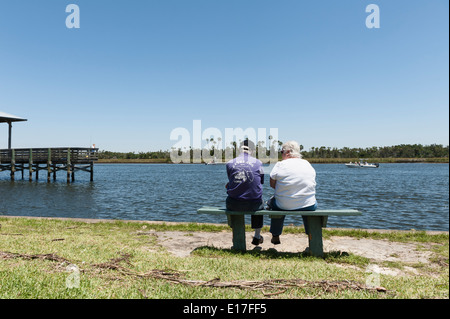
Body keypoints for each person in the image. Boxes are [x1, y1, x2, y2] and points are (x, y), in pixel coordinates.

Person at [267, 140, 317, 245]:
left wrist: (285, 189)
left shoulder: (280, 164)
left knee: (275, 204)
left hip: (283, 204)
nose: (281, 155)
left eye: (281, 152)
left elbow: (272, 184)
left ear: (288, 152)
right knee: (308, 203)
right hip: (308, 204)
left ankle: (275, 235)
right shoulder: (307, 164)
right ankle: (311, 235)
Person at [226, 139, 265, 246]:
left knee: (232, 196)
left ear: (239, 149)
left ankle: (236, 232)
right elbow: (261, 181)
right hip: (254, 204)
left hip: (234, 203)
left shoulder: (230, 163)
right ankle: (257, 235)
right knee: (258, 198)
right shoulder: (258, 163)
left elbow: (231, 180)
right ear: (252, 150)